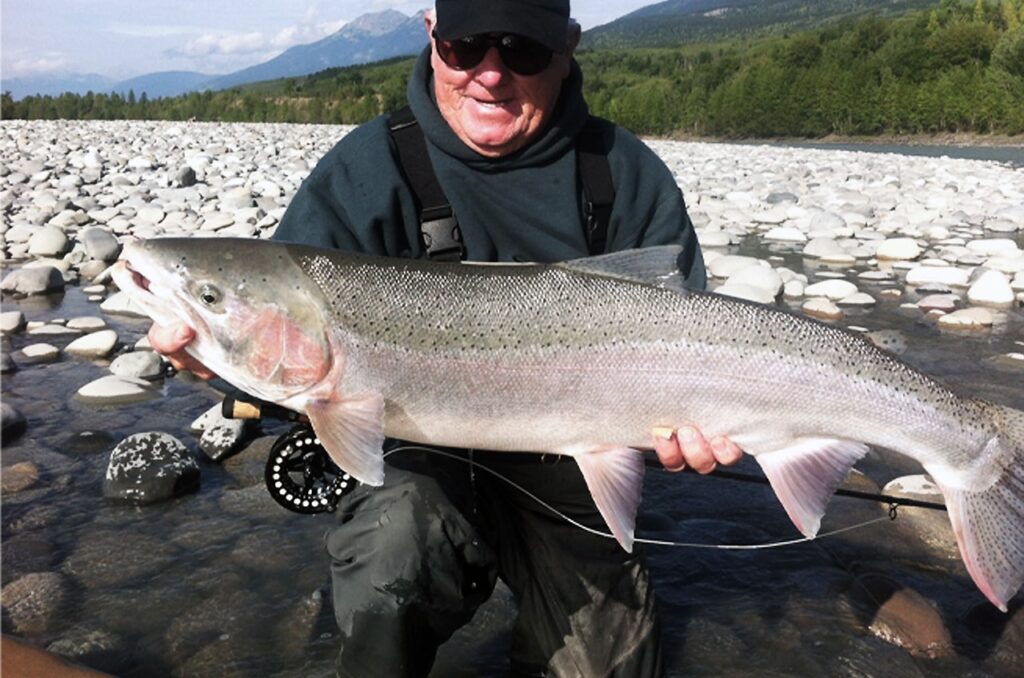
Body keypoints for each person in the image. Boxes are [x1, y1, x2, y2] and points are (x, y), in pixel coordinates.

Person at [150, 1, 742, 675]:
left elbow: (699, 339)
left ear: (569, 47)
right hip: (417, 465)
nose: (491, 75)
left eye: (522, 51)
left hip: (576, 467)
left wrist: (697, 429)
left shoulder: (623, 172)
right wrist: (208, 360)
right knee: (391, 560)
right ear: (433, 37)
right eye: (467, 47)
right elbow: (293, 356)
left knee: (607, 664)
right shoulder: (366, 171)